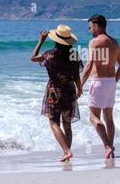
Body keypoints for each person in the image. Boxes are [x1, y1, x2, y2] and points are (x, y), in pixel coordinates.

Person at [31, 25, 83, 162]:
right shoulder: (74, 55)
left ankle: (66, 151)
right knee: (67, 124)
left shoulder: (50, 55)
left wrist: (40, 41)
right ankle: (67, 153)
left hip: (54, 92)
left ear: (56, 40)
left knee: (54, 122)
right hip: (70, 91)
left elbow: (33, 58)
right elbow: (77, 75)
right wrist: (80, 88)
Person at [81, 15, 120, 159]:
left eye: (89, 27)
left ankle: (107, 146)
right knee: (109, 118)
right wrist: (114, 81)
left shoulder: (94, 42)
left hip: (99, 81)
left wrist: (79, 85)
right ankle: (109, 150)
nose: (89, 30)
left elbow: (88, 66)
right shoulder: (114, 42)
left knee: (93, 116)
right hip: (111, 82)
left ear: (96, 26)